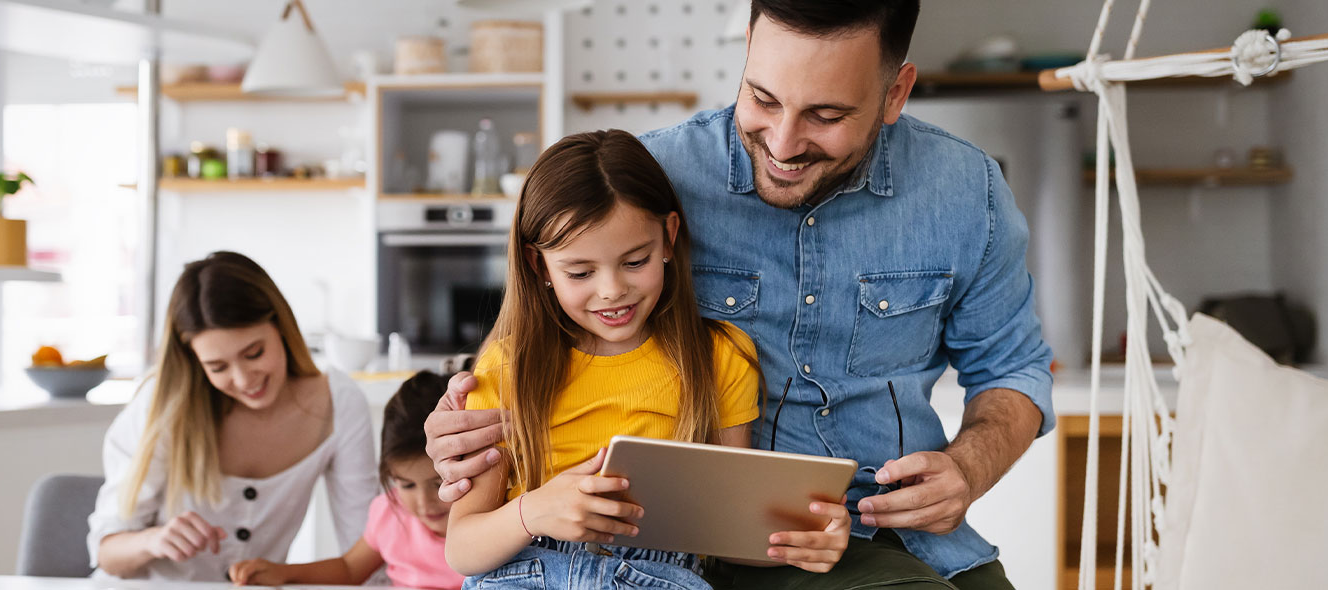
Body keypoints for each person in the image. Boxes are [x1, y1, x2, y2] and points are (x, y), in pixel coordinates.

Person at [425, 1, 1054, 588]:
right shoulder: (649, 182)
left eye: (826, 115)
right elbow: (538, 337)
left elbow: (1014, 369)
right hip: (710, 548)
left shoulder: (967, 192)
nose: (782, 144)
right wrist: (455, 428)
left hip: (895, 535)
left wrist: (968, 471)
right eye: (762, 97)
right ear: (747, 49)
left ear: (896, 92)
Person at [443, 130, 852, 589]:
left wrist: (808, 539)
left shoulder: (720, 356)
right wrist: (532, 511)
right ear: (540, 268)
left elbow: (729, 531)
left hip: (656, 574)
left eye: (635, 261)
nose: (612, 290)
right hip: (526, 566)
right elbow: (462, 548)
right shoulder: (506, 366)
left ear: (668, 240)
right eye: (580, 272)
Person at [87, 251, 378, 581]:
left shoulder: (339, 403)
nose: (243, 380)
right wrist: (153, 540)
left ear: (281, 327)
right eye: (218, 367)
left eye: (254, 353)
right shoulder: (164, 405)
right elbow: (107, 554)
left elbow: (368, 548)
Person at [226, 371, 465, 590]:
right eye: (406, 484)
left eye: (439, 483)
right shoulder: (391, 514)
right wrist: (284, 572)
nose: (423, 503)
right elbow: (350, 569)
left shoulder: (483, 521)